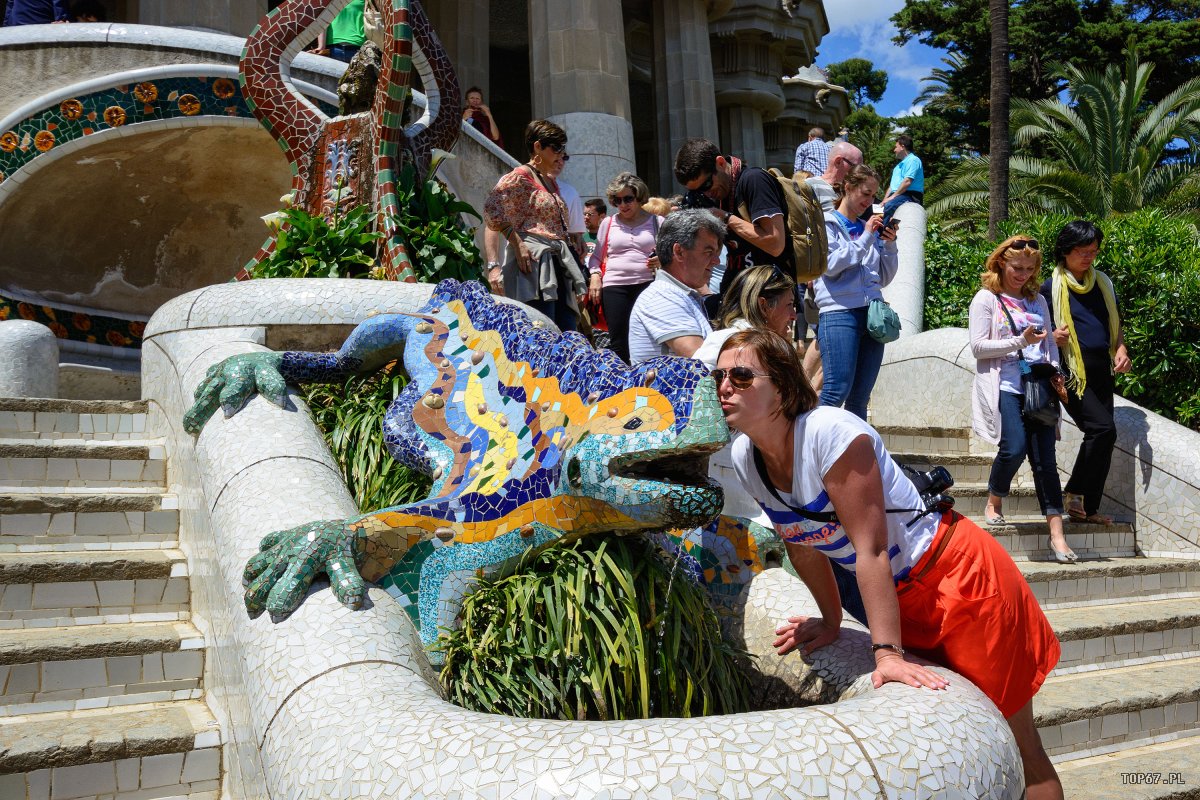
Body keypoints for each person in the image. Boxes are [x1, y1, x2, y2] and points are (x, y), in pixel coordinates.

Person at [715, 327, 1064, 800]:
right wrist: (832, 619)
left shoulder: (831, 434)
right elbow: (801, 545)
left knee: (1019, 742)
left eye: (740, 375)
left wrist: (887, 655)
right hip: (904, 597)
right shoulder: (744, 456)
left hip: (961, 580)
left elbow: (871, 550)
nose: (724, 387)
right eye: (719, 376)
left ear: (780, 385)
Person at [971, 236, 1077, 563]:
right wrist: (1019, 340)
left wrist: (1055, 370)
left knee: (1046, 462)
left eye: (1030, 269)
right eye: (1017, 267)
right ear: (1001, 261)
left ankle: (1057, 537)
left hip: (1038, 386)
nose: (1023, 274)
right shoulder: (986, 299)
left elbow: (1048, 348)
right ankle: (995, 498)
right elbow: (977, 347)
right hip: (1004, 384)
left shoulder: (1037, 301)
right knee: (1014, 447)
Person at [1040, 221, 1130, 525]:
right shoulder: (1049, 288)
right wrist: (1053, 336)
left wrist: (1121, 349)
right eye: (1082, 251)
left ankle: (1087, 509)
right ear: (1065, 251)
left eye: (1093, 251)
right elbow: (1036, 332)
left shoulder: (1102, 282)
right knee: (1102, 429)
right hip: (1070, 371)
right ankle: (1074, 494)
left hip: (1100, 368)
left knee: (1105, 434)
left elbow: (1114, 324)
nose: (1089, 256)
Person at [484, 119, 587, 333]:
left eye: (563, 148)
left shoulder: (549, 181)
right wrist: (516, 242)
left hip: (557, 263)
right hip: (534, 267)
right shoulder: (520, 176)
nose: (560, 154)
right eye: (556, 147)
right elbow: (492, 210)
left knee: (566, 333)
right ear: (538, 146)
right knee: (541, 333)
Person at [815, 164, 898, 420]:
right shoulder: (827, 224)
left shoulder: (869, 229)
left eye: (873, 196)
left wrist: (889, 245)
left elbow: (883, 277)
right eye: (865, 193)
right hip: (839, 313)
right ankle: (812, 451)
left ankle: (855, 458)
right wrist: (865, 236)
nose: (869, 201)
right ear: (848, 187)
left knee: (860, 399)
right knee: (834, 391)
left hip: (873, 315)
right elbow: (830, 267)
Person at [673, 138, 791, 301]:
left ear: (720, 163)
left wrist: (726, 217)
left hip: (769, 295)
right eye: (697, 192)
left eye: (706, 185)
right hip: (738, 293)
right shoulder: (719, 196)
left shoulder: (754, 180)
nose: (705, 194)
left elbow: (775, 243)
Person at [627, 210, 724, 364]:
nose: (716, 261)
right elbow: (701, 361)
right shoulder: (662, 297)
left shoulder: (678, 293)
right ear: (679, 252)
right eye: (708, 252)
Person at [588, 173, 663, 364]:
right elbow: (596, 257)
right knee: (619, 341)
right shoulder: (608, 223)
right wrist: (595, 276)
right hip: (614, 286)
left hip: (647, 285)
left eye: (628, 199)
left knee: (648, 338)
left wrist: (662, 259)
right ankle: (622, 387)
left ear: (639, 197)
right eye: (617, 200)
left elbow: (672, 255)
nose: (622, 205)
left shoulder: (658, 222)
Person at [693, 265, 797, 367]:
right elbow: (695, 380)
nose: (794, 316)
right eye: (789, 304)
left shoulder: (773, 344)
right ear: (763, 305)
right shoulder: (726, 341)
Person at [806, 140, 863, 214]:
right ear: (838, 162)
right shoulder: (809, 186)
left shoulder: (850, 192)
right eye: (855, 167)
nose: (859, 173)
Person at [881, 134, 924, 223]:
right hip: (898, 194)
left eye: (896, 147)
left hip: (911, 195)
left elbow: (907, 181)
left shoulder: (913, 160)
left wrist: (891, 197)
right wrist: (884, 200)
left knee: (889, 205)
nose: (894, 150)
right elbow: (891, 187)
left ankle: (883, 235)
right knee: (876, 208)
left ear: (902, 147)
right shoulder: (898, 167)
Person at [3, 0, 69, 24]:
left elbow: (10, 4)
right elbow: (58, 4)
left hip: (16, 23)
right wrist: (61, 19)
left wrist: (6, 25)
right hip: (40, 23)